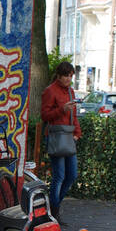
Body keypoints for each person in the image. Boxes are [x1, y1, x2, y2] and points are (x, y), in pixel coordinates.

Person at [40, 61, 81, 222]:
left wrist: (77, 133)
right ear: (59, 75)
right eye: (65, 76)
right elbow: (45, 115)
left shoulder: (71, 92)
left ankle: (52, 206)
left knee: (72, 175)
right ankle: (53, 213)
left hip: (69, 136)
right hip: (56, 136)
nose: (68, 79)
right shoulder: (50, 91)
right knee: (59, 176)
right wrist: (62, 109)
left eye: (70, 76)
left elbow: (74, 116)